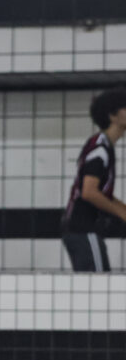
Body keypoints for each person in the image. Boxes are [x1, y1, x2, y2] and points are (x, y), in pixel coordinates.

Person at [62, 87, 126, 272]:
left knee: (98, 284)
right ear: (113, 116)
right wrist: (121, 213)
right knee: (99, 284)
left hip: (82, 231)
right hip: (83, 230)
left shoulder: (102, 145)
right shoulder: (100, 149)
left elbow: (102, 194)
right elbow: (89, 192)